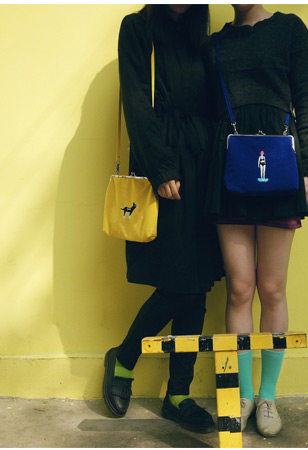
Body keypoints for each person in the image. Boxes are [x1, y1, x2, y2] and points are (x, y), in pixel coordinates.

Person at [102, 4, 224, 434]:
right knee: (179, 281)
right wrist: (161, 167)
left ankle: (178, 394)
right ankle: (124, 358)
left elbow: (211, 105)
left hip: (204, 166)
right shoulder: (137, 28)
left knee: (199, 282)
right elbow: (137, 102)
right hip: (167, 166)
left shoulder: (200, 35)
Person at [203, 4, 308, 437]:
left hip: (280, 167)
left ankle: (268, 395)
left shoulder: (290, 29)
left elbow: (306, 101)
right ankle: (243, 394)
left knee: (272, 288)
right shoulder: (216, 44)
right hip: (229, 168)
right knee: (239, 288)